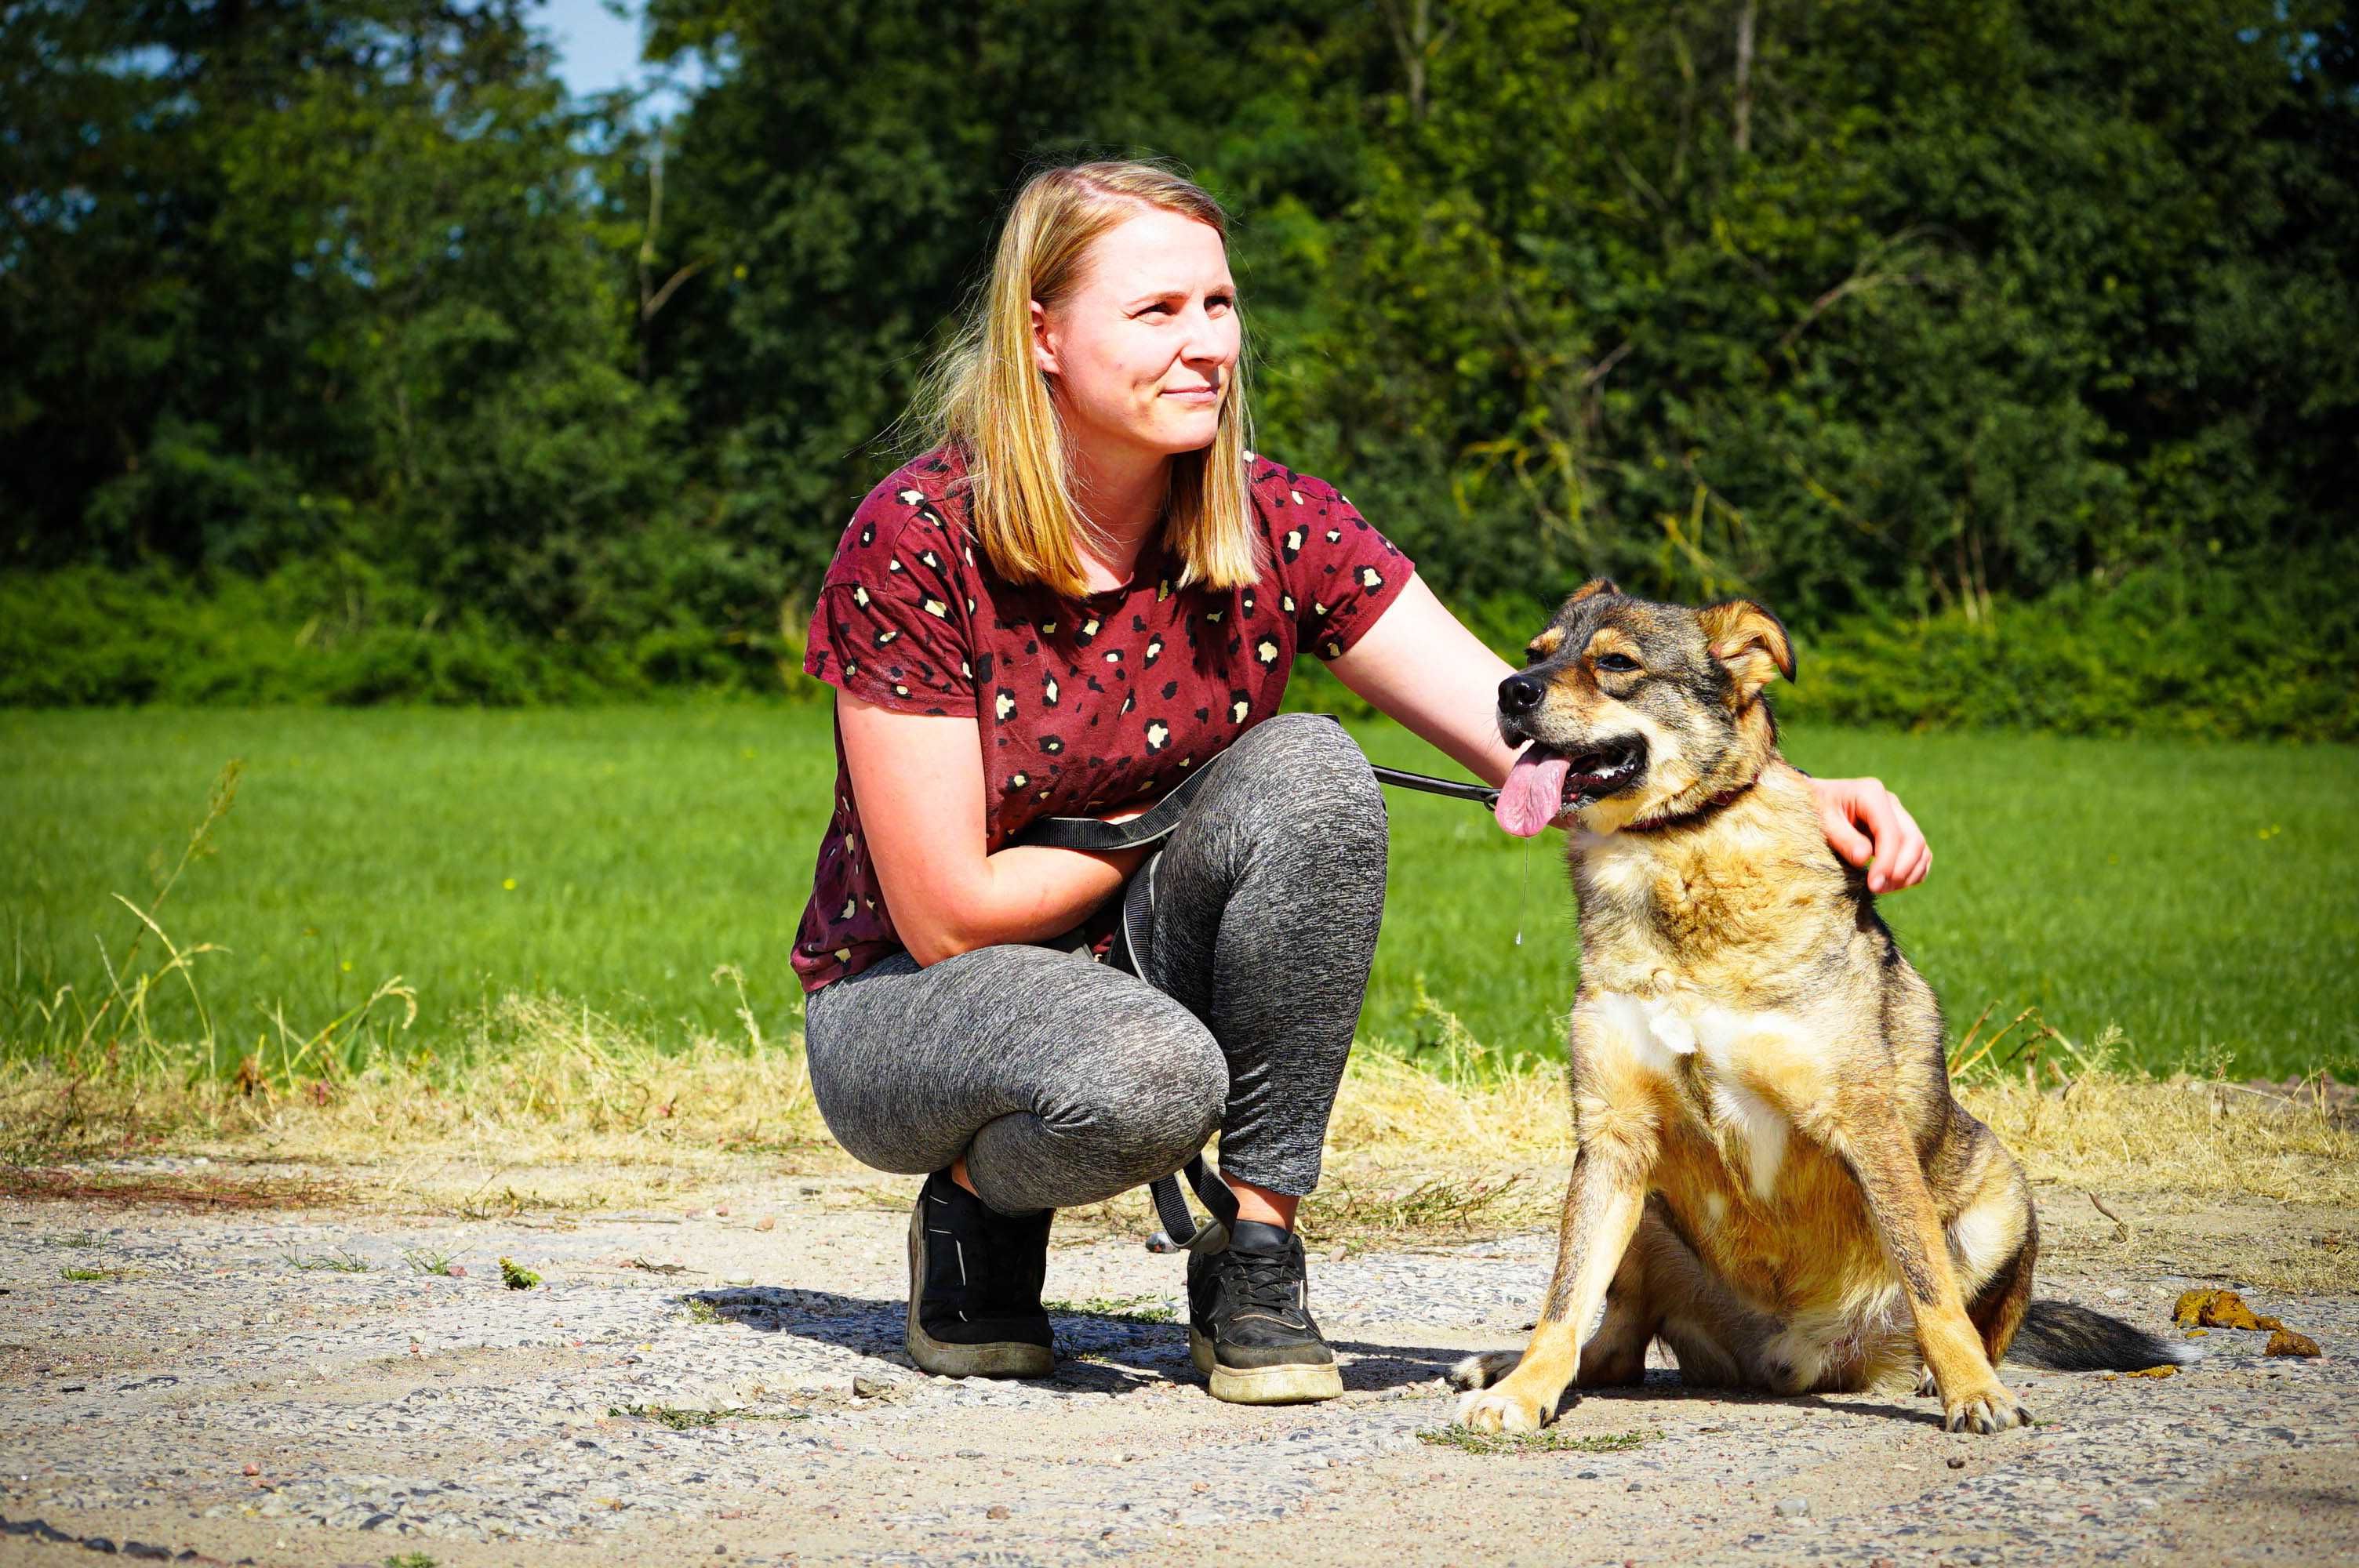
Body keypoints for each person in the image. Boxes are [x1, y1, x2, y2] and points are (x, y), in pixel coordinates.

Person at [793, 161, 1931, 1406]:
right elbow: (945, 910)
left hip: (1132, 960)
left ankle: (1257, 1254)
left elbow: (1518, 716)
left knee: (1314, 771)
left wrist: (1773, 789)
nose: (1206, 345)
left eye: (1219, 306)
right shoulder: (912, 538)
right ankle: (974, 1212)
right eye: (1156, 312)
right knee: (1150, 1081)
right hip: (911, 1004)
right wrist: (1177, 817)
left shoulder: (1271, 521)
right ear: (1042, 334)